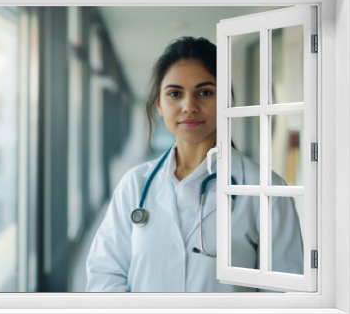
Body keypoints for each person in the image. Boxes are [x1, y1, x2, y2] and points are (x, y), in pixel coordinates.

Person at [85, 36, 303, 292]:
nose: (189, 106)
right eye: (175, 94)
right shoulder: (135, 184)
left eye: (205, 92)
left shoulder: (265, 190)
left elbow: (284, 296)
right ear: (160, 106)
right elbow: (105, 275)